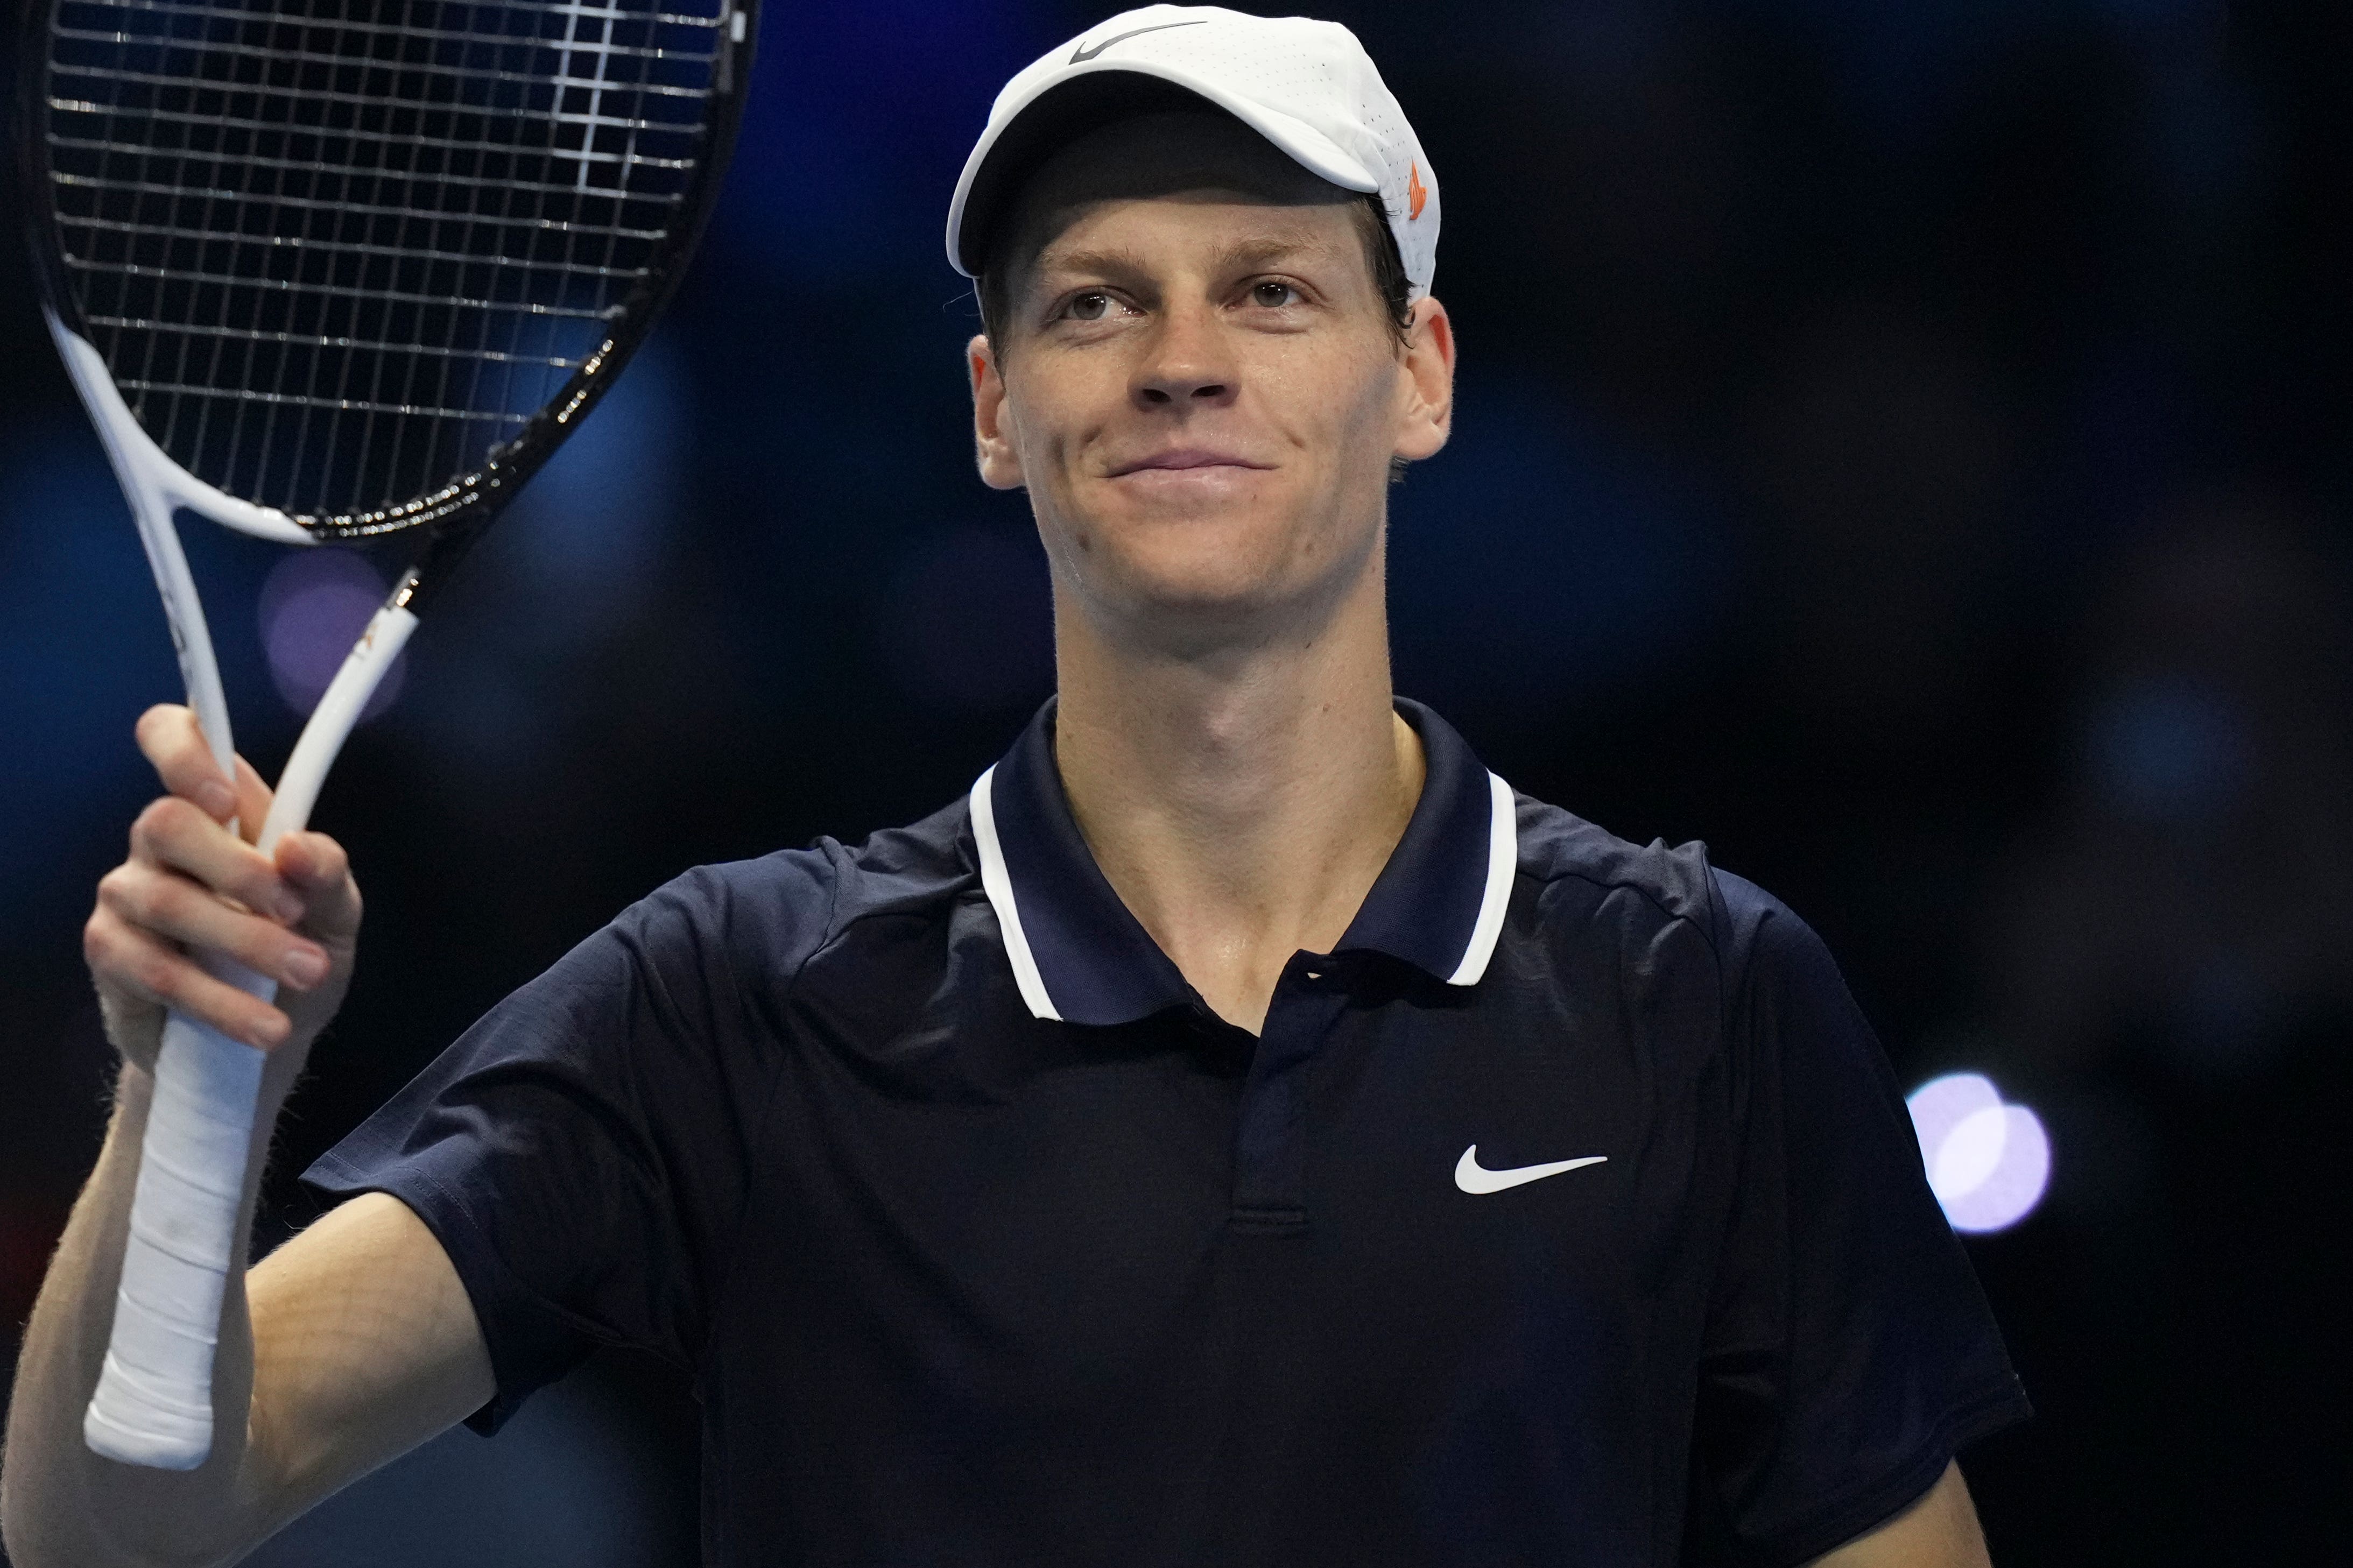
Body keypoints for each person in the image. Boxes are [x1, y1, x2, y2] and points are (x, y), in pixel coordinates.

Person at [2, 9, 2028, 1565]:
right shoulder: (730, 999)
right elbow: (113, 1523)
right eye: (1091, 300)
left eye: (1270, 288)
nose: (1176, 357)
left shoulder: (1701, 997)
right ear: (995, 410)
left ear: (1417, 376)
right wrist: (199, 1087)